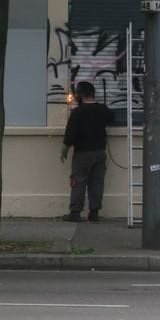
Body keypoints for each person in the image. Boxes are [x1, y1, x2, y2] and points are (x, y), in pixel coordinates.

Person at [61, 81, 115, 222]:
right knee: (97, 182)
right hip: (100, 152)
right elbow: (112, 118)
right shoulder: (102, 109)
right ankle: (94, 212)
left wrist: (64, 151)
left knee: (78, 182)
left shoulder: (78, 112)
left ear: (81, 95)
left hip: (82, 154)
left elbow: (70, 135)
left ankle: (75, 212)